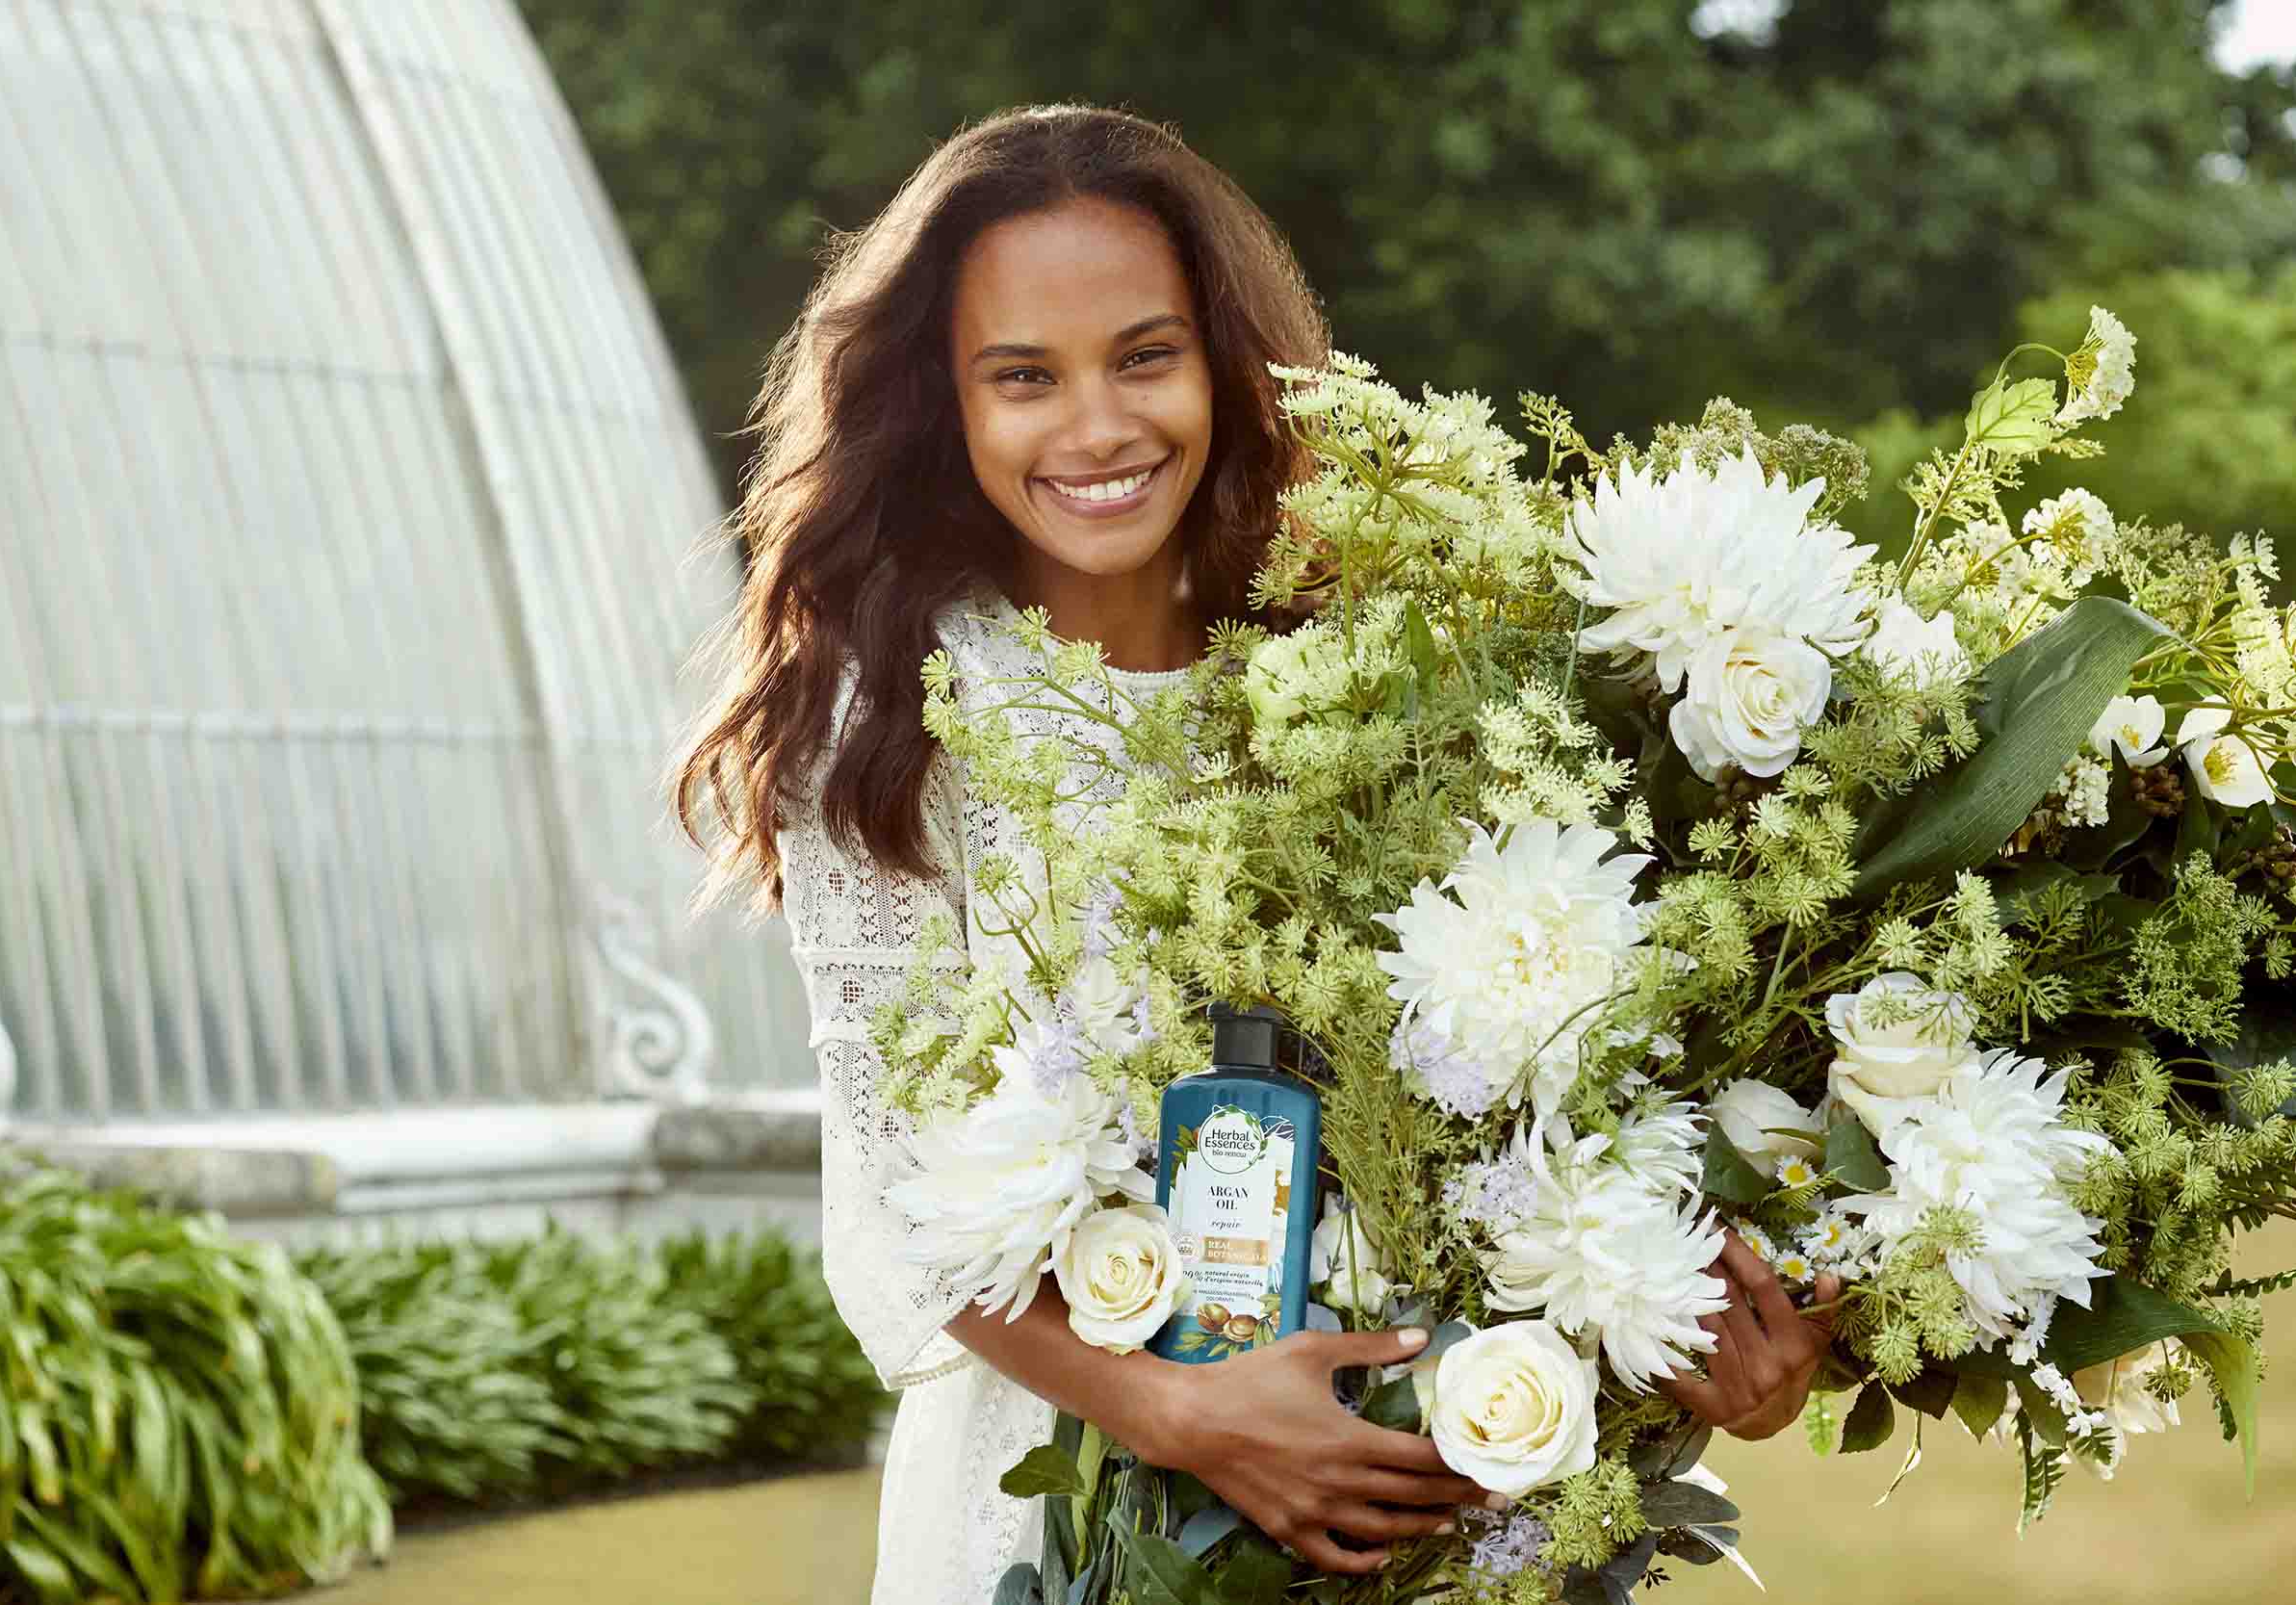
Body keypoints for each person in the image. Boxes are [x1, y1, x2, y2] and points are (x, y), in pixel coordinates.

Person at [672, 104, 1836, 1605]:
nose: (1096, 428)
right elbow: (901, 1199)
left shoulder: (1390, 683)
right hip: (1053, 1493)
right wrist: (1183, 1415)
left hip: (1416, 1481)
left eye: (1145, 357)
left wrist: (1716, 1348)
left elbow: (1538, 1104)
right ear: (943, 406)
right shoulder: (891, 724)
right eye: (1024, 378)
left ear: (1226, 367)